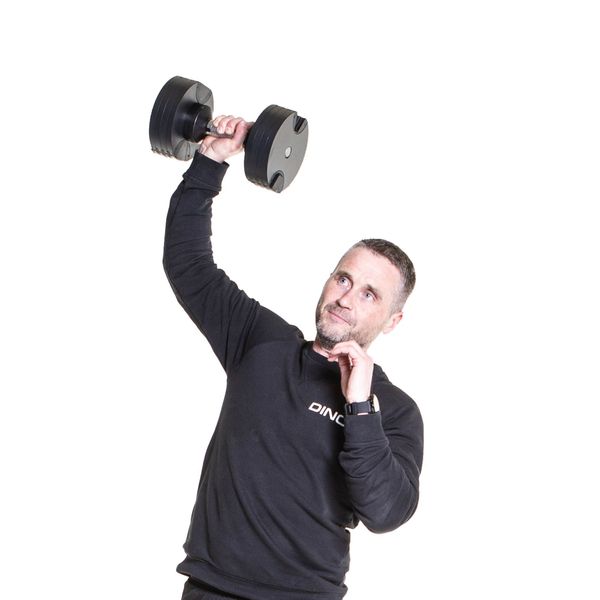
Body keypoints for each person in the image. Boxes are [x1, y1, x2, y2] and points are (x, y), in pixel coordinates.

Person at [163, 116, 424, 600]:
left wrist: (359, 409)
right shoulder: (261, 342)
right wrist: (210, 161)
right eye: (343, 279)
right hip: (210, 589)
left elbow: (386, 512)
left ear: (392, 320)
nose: (346, 298)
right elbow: (188, 264)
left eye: (369, 294)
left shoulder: (394, 409)